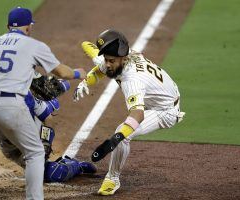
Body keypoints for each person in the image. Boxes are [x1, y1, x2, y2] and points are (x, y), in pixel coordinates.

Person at [0, 7, 86, 200]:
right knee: (34, 154)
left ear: (8, 26)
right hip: (9, 104)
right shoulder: (33, 45)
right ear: (29, 27)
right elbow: (61, 73)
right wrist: (77, 73)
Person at [74, 29, 185, 195]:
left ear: (123, 58)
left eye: (111, 60)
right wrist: (85, 82)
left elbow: (138, 114)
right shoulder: (123, 56)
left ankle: (113, 179)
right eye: (106, 59)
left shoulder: (131, 80)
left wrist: (115, 139)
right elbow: (98, 63)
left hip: (165, 110)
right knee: (123, 132)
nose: (108, 64)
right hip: (159, 96)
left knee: (122, 134)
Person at [0, 76, 97, 181]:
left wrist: (46, 142)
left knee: (43, 113)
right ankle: (76, 165)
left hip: (31, 132)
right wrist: (0, 169)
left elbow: (48, 119)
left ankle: (77, 166)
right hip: (13, 149)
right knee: (50, 173)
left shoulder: (27, 98)